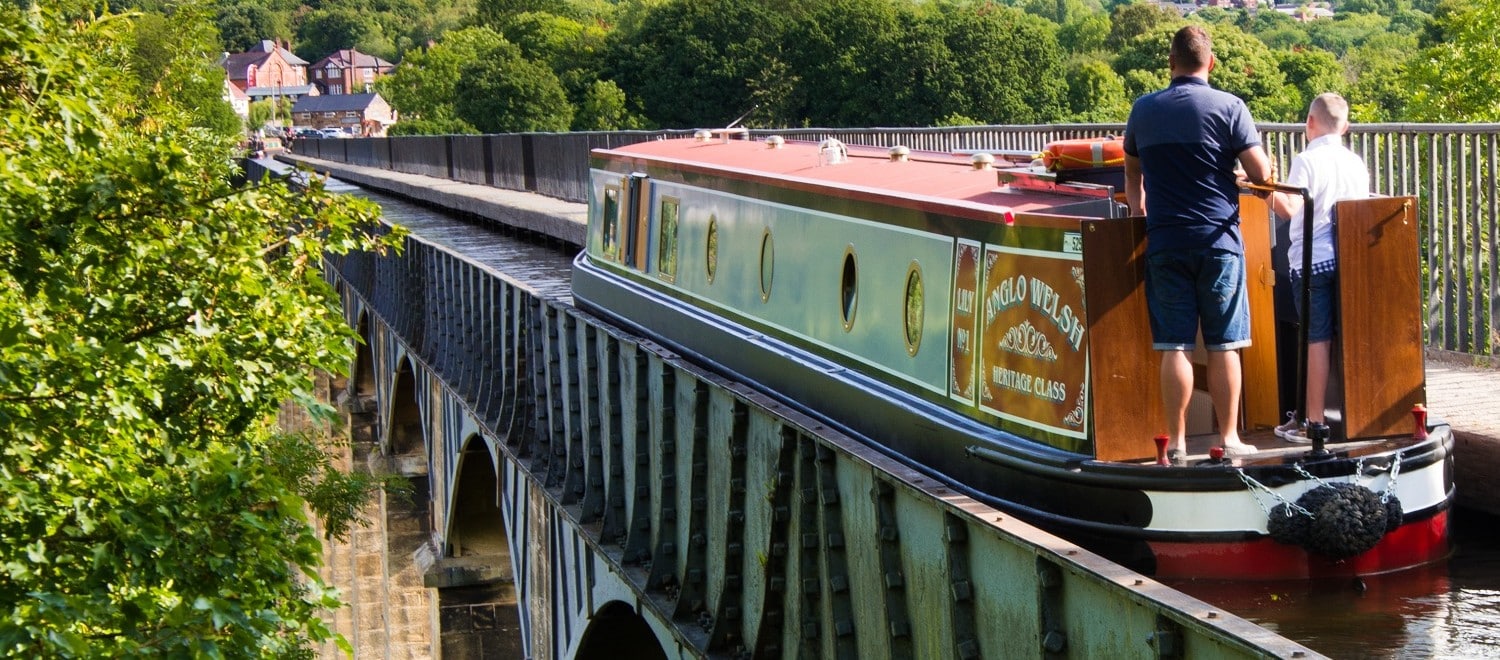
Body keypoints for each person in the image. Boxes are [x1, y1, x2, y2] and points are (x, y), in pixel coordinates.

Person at [1122, 25, 1275, 460]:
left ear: (1171, 64)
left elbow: (1132, 174)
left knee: (1174, 344)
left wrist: (1139, 214)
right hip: (1219, 239)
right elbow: (1261, 174)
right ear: (1210, 63)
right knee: (1225, 342)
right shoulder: (1230, 107)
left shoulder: (1143, 110)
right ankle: (1229, 438)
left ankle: (1179, 443)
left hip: (1166, 239)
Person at [1269, 93, 1370, 443]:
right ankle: (1355, 416)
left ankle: (1312, 424)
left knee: (1316, 341)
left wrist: (1264, 188)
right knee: (1348, 340)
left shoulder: (1306, 160)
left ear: (1309, 123)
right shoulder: (1356, 162)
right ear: (1346, 126)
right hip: (1350, 260)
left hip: (1312, 262)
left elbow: (1291, 209)